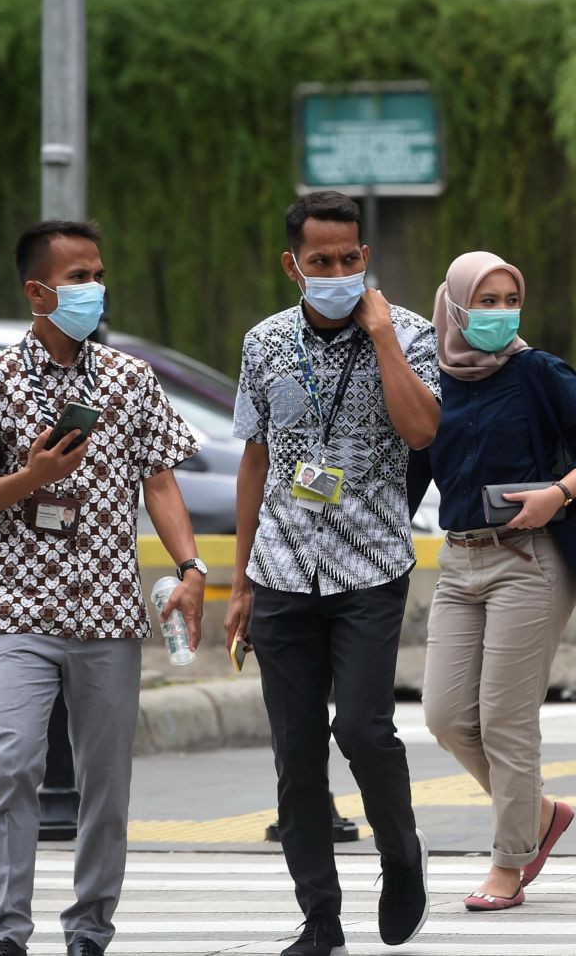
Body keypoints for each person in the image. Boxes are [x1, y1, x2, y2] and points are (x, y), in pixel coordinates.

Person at [0, 220, 205, 956]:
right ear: (38, 290)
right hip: (21, 611)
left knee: (105, 786)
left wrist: (190, 570)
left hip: (111, 616)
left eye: (97, 274)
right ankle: (4, 936)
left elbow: (161, 481)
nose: (94, 288)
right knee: (13, 763)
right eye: (79, 277)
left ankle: (89, 929)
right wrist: (32, 478)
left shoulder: (128, 378)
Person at [224, 191, 441, 956]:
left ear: (365, 256)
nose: (339, 272)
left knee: (362, 728)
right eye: (322, 262)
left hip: (370, 567)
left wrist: (380, 337)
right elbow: (256, 459)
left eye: (351, 259)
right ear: (293, 266)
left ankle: (401, 853)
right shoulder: (264, 343)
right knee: (296, 752)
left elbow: (421, 430)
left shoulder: (410, 333)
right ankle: (321, 917)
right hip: (281, 567)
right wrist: (241, 578)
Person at [421, 251, 576, 911]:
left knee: (507, 721)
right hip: (457, 562)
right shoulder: (432, 384)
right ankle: (539, 815)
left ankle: (509, 864)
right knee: (447, 716)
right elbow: (405, 476)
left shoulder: (538, 372)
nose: (499, 312)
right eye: (484, 300)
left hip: (530, 558)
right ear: (455, 305)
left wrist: (558, 493)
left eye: (510, 298)